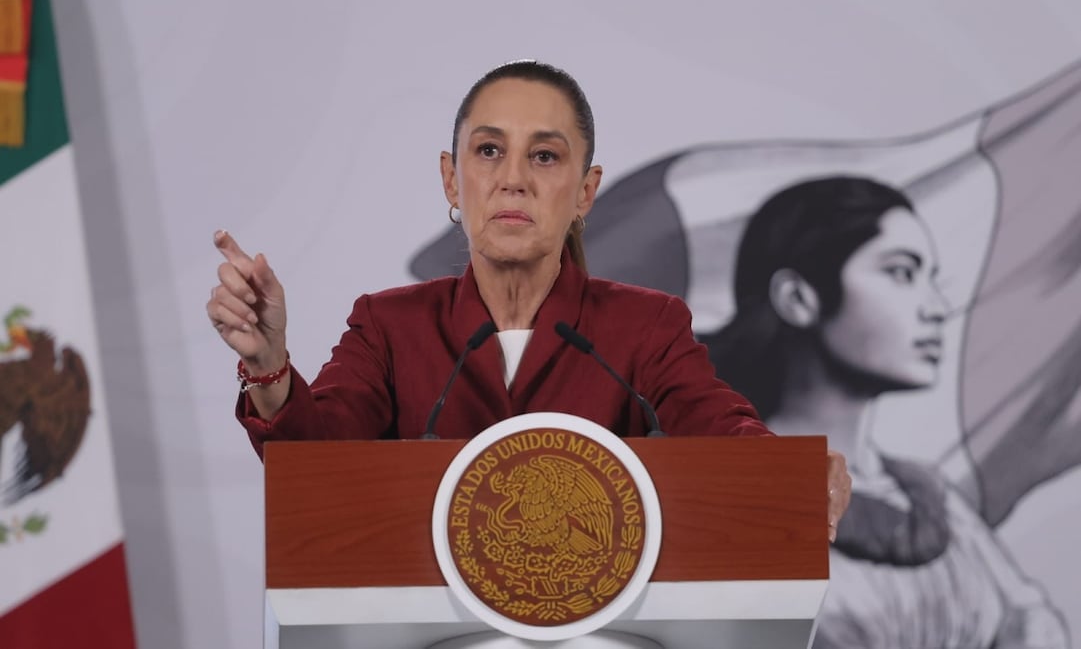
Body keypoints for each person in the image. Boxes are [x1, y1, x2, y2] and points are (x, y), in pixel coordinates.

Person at [205, 59, 851, 537]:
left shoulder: (643, 327)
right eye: (488, 151)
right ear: (451, 179)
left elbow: (716, 424)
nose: (512, 179)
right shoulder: (389, 327)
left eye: (544, 157)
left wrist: (784, 471)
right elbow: (316, 467)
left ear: (585, 192)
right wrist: (269, 366)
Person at [700, 176, 1068, 649]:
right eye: (901, 272)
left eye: (932, 278)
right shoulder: (719, 493)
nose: (936, 308)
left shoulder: (933, 502)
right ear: (798, 298)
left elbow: (1031, 623)